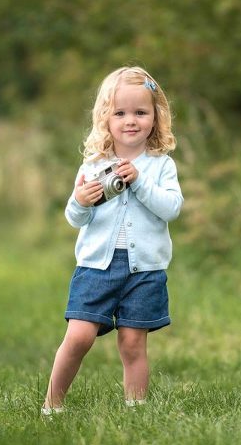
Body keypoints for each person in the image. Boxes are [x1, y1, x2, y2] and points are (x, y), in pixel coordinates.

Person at [42, 66, 184, 415]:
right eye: (120, 113)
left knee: (133, 343)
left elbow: (172, 208)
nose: (130, 120)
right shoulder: (93, 165)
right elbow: (75, 218)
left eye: (140, 112)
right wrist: (80, 201)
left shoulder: (160, 165)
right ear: (105, 118)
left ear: (155, 117)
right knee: (79, 337)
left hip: (145, 270)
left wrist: (139, 181)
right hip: (96, 267)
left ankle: (136, 409)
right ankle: (52, 405)